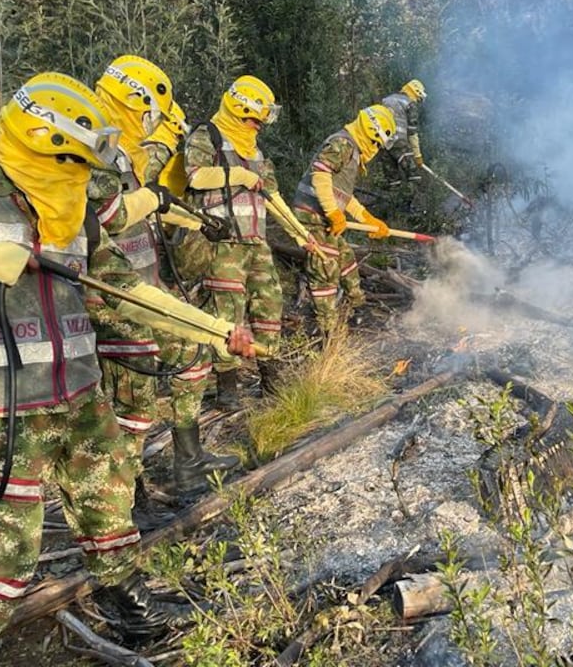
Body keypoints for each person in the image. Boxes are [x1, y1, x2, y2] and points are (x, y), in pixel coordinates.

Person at [0, 72, 254, 666]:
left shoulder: (76, 213)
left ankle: (129, 605)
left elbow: (128, 294)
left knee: (109, 500)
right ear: (47, 143)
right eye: (75, 163)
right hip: (1, 400)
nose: (84, 180)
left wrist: (218, 332)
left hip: (81, 388)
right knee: (9, 539)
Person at [89, 56, 239, 501]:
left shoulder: (117, 149)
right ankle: (125, 501)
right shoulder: (92, 146)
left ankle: (189, 466)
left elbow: (149, 200)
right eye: (151, 112)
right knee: (132, 405)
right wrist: (152, 198)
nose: (153, 123)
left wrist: (199, 224)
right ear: (136, 101)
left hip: (145, 284)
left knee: (193, 353)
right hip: (109, 295)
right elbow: (106, 218)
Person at [181, 75, 312, 403]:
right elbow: (195, 177)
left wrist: (302, 234)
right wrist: (240, 175)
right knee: (227, 315)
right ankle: (228, 388)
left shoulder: (255, 149)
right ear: (240, 110)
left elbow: (272, 195)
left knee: (269, 306)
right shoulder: (207, 135)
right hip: (223, 245)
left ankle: (271, 379)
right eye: (257, 118)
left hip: (256, 243)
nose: (260, 125)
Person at [291, 104, 398, 332]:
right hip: (312, 215)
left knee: (347, 260)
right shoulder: (343, 143)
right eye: (377, 142)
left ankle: (358, 311)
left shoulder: (352, 150)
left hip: (323, 215)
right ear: (371, 132)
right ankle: (325, 331)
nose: (376, 148)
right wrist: (332, 212)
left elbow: (343, 196)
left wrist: (367, 218)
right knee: (325, 268)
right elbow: (320, 174)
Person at [379, 79, 427, 186]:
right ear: (416, 92)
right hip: (399, 143)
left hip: (383, 143)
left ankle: (393, 199)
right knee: (414, 177)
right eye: (418, 99)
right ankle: (414, 200)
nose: (417, 101)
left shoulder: (386, 100)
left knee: (392, 180)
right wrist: (417, 155)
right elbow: (412, 133)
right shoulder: (410, 104)